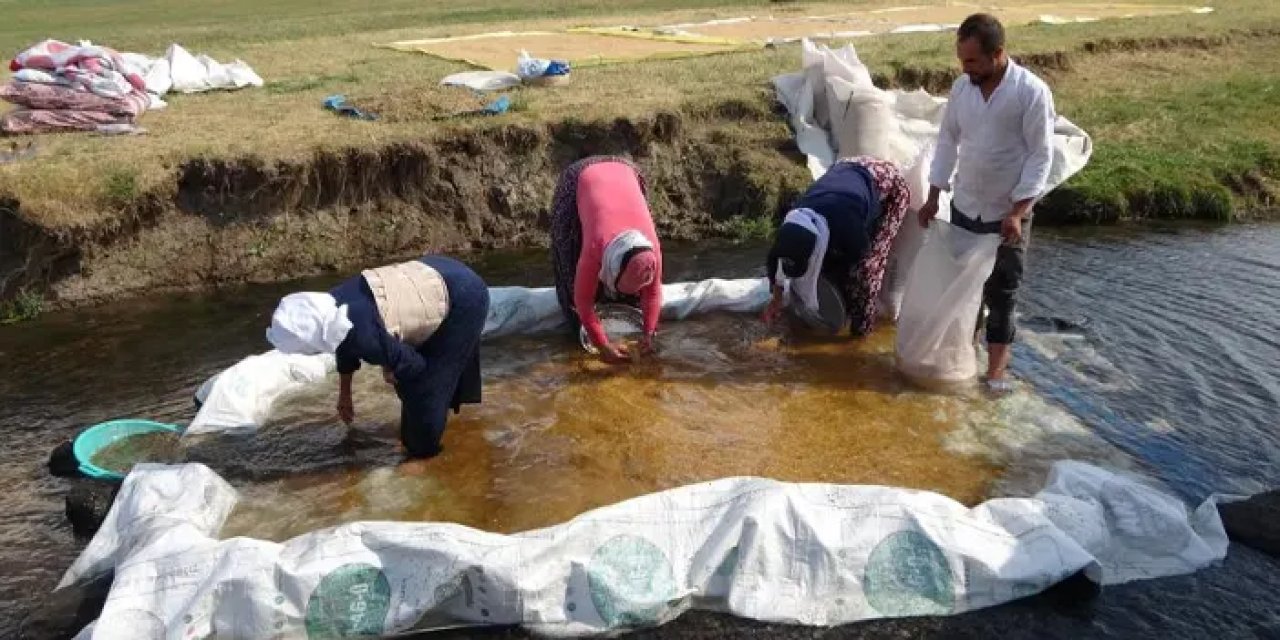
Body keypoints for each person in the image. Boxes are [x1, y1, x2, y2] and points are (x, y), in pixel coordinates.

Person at [917, 13, 1055, 391]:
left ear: (998, 54)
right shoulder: (962, 90)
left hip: (1006, 213)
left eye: (972, 61)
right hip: (966, 206)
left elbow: (1041, 155)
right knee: (964, 288)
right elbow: (947, 141)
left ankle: (995, 376)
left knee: (1003, 292)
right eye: (962, 60)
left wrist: (1017, 212)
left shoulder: (1030, 92)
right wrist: (933, 195)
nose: (965, 68)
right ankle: (964, 358)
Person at [265, 255, 489, 459]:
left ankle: (425, 454)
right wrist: (345, 394)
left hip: (464, 296)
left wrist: (393, 366)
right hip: (438, 268)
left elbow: (418, 369)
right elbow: (343, 343)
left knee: (426, 387)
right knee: (410, 386)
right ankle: (419, 433)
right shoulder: (329, 309)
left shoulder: (361, 335)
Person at [762, 156, 910, 336]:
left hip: (887, 181)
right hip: (845, 170)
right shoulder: (789, 228)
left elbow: (862, 256)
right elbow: (775, 269)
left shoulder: (846, 226)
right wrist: (776, 301)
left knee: (867, 269)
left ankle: (863, 332)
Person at [550, 156, 663, 364]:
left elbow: (653, 293)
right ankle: (585, 325)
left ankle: (621, 305)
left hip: (626, 172)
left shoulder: (651, 251)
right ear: (609, 266)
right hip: (581, 177)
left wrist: (649, 333)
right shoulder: (596, 246)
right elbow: (582, 302)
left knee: (633, 296)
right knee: (571, 268)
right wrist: (602, 345)